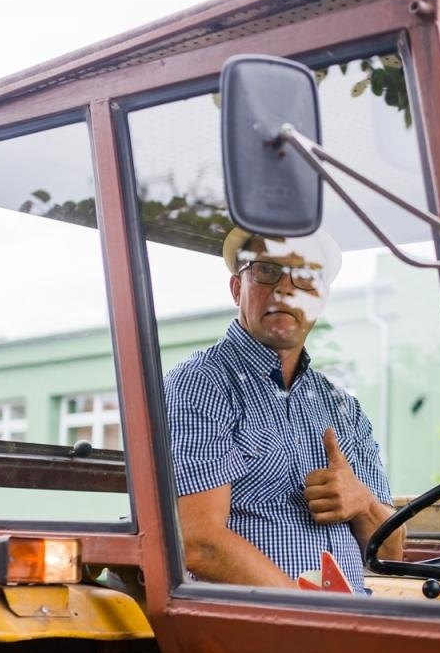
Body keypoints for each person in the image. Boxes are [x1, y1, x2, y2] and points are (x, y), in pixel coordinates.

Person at [163, 227, 403, 591]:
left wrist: (362, 502)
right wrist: (314, 615)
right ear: (236, 289)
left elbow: (390, 554)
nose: (285, 288)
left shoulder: (342, 408)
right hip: (256, 630)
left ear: (320, 298)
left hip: (346, 626)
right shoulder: (201, 385)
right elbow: (199, 543)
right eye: (266, 270)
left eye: (305, 277)